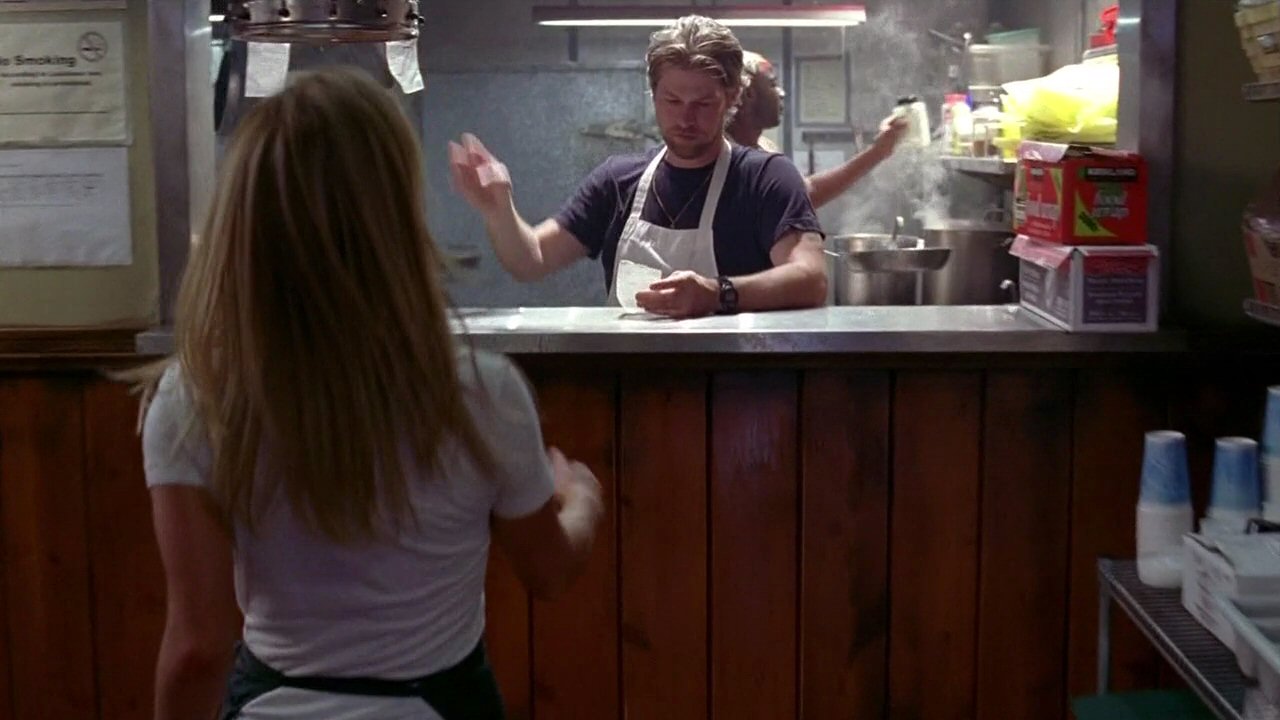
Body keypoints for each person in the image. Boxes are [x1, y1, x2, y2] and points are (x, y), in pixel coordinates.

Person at [138, 67, 604, 720]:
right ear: (396, 214)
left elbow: (197, 648)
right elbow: (549, 571)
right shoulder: (481, 390)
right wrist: (582, 499)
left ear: (243, 217)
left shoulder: (194, 397)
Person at [449, 15, 827, 318]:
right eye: (672, 100)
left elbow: (811, 278)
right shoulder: (617, 182)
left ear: (732, 97)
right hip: (630, 381)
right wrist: (499, 209)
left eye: (703, 103)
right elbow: (531, 260)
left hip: (732, 382)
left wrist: (718, 293)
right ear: (653, 94)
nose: (685, 118)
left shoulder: (765, 178)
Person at [726, 50, 909, 209]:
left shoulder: (766, 148)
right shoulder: (727, 155)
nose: (782, 93)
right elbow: (805, 195)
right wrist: (877, 152)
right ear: (748, 94)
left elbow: (802, 191)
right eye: (773, 84)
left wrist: (879, 151)